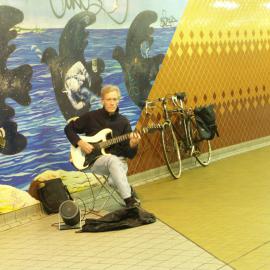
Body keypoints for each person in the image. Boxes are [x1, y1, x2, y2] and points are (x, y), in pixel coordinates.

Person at [64, 84, 141, 207]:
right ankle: (129, 201)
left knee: (113, 179)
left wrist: (133, 145)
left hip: (120, 161)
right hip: (94, 161)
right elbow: (69, 129)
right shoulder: (91, 117)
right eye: (109, 99)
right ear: (102, 101)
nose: (112, 103)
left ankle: (128, 191)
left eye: (114, 99)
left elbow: (129, 155)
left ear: (118, 100)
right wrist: (81, 143)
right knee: (112, 160)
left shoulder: (123, 122)